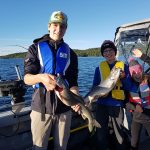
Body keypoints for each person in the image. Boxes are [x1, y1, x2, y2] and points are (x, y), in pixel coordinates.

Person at [24, 11, 79, 150]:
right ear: (49, 26)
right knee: (39, 147)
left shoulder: (71, 54)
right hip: (41, 109)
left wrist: (76, 99)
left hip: (64, 110)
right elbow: (27, 78)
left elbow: (73, 83)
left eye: (62, 26)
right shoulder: (35, 48)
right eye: (55, 25)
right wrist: (41, 77)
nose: (58, 29)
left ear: (66, 29)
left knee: (61, 147)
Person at [92, 40, 131, 150]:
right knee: (100, 132)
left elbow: (128, 86)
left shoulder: (123, 67)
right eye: (105, 51)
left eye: (110, 50)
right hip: (101, 103)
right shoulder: (98, 68)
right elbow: (94, 86)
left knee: (119, 133)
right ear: (103, 54)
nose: (108, 53)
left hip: (116, 104)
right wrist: (94, 96)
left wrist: (124, 78)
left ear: (115, 51)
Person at [128, 58, 150, 150]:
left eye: (138, 71)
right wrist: (134, 106)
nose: (137, 75)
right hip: (136, 118)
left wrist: (142, 56)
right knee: (134, 142)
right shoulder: (128, 84)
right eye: (133, 73)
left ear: (141, 70)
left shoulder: (147, 79)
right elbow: (125, 102)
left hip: (148, 117)